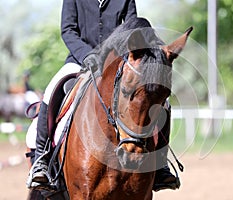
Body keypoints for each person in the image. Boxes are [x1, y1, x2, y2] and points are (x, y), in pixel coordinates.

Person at [27, 0, 179, 192]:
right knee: (52, 89)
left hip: (118, 63)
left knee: (162, 102)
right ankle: (42, 158)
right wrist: (87, 56)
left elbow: (134, 30)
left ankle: (160, 164)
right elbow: (68, 31)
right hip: (81, 60)